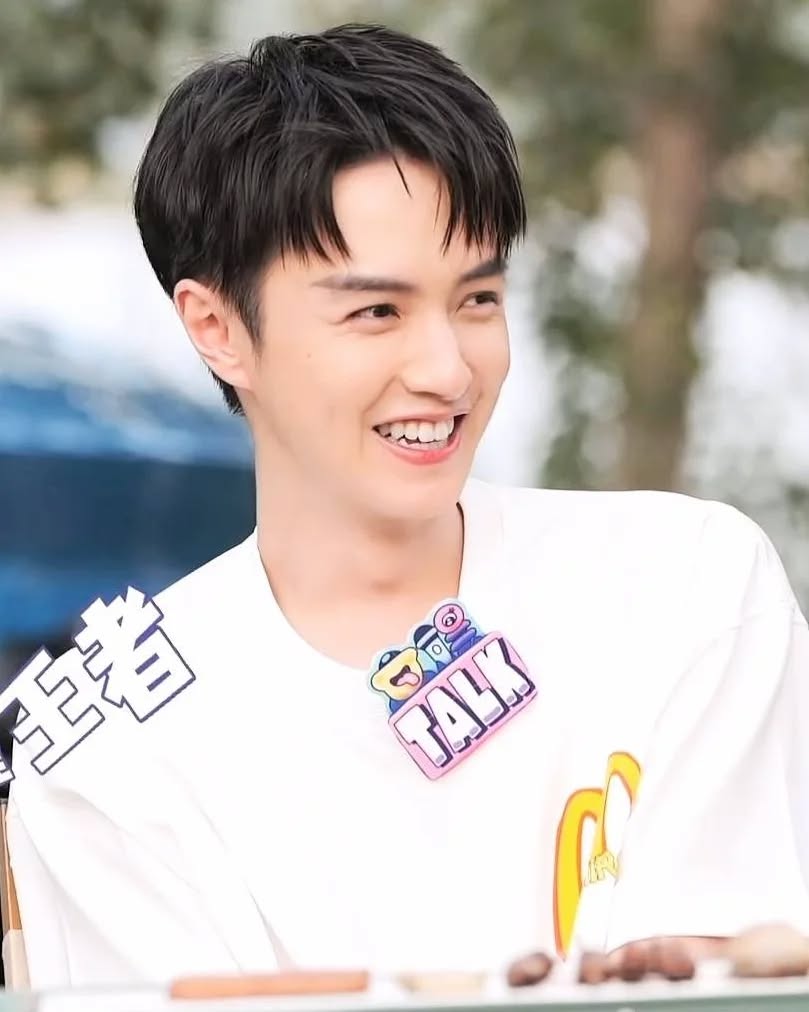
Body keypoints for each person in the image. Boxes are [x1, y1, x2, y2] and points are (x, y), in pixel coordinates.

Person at [6, 23, 809, 991]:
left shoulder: (685, 584)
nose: (446, 369)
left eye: (477, 299)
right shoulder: (105, 745)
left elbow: (734, 983)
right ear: (216, 327)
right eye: (376, 312)